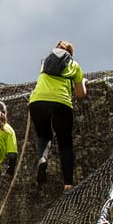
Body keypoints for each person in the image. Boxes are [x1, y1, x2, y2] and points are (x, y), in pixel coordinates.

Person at [28, 40, 88, 191]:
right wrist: (83, 82)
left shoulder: (46, 62)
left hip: (37, 100)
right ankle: (68, 183)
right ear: (70, 54)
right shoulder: (74, 65)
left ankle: (43, 158)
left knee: (44, 135)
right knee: (65, 143)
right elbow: (80, 94)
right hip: (61, 102)